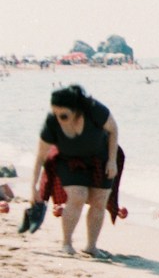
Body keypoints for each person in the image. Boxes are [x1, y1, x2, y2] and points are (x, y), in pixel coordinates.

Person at [30, 84, 121, 257]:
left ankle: (91, 247)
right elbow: (40, 156)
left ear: (77, 110)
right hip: (68, 161)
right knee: (78, 195)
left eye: (63, 115)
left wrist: (112, 161)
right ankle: (66, 243)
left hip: (100, 158)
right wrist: (33, 187)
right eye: (55, 113)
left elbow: (113, 129)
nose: (58, 118)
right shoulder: (52, 122)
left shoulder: (95, 110)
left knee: (99, 200)